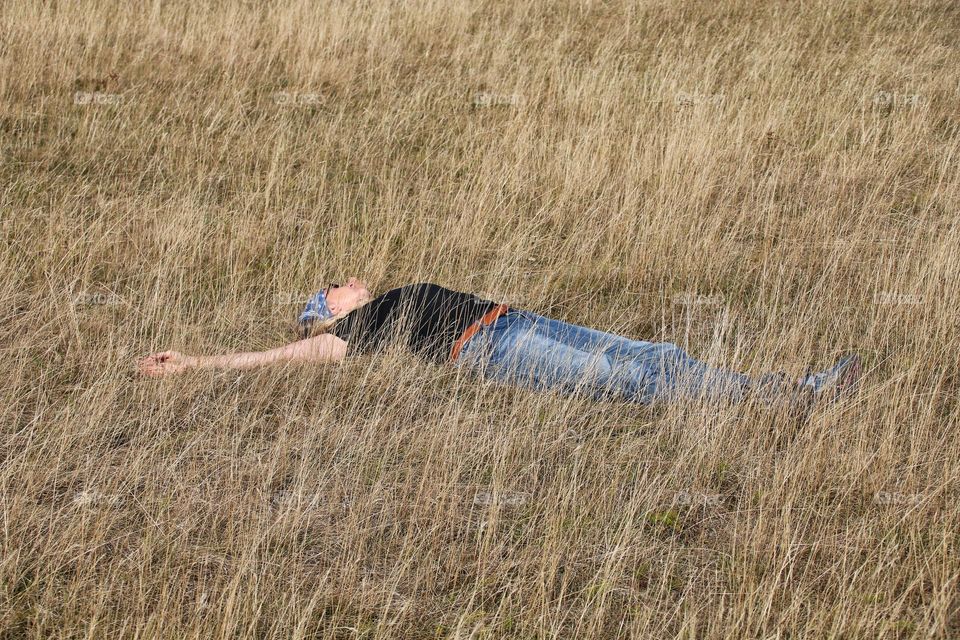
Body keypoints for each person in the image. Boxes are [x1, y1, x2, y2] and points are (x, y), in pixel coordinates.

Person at [137, 279, 862, 411]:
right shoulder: (346, 335)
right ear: (322, 312)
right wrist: (198, 362)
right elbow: (281, 359)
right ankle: (784, 399)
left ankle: (775, 391)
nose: (350, 281)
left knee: (656, 357)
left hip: (514, 321)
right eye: (335, 287)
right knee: (628, 378)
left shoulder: (376, 306)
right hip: (493, 352)